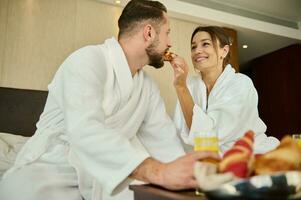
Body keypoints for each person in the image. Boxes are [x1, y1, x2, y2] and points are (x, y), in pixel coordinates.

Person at [0, 1, 220, 200]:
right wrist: (157, 171)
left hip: (110, 175)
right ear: (149, 33)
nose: (170, 42)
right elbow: (85, 129)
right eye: (168, 33)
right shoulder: (86, 60)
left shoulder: (147, 88)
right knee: (20, 190)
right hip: (55, 167)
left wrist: (189, 176)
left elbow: (164, 142)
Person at [169, 26, 279, 154]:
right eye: (193, 47)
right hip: (208, 162)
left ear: (224, 51)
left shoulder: (240, 84)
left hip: (251, 156)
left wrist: (181, 87)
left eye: (205, 44)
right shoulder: (189, 85)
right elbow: (179, 131)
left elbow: (212, 135)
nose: (197, 50)